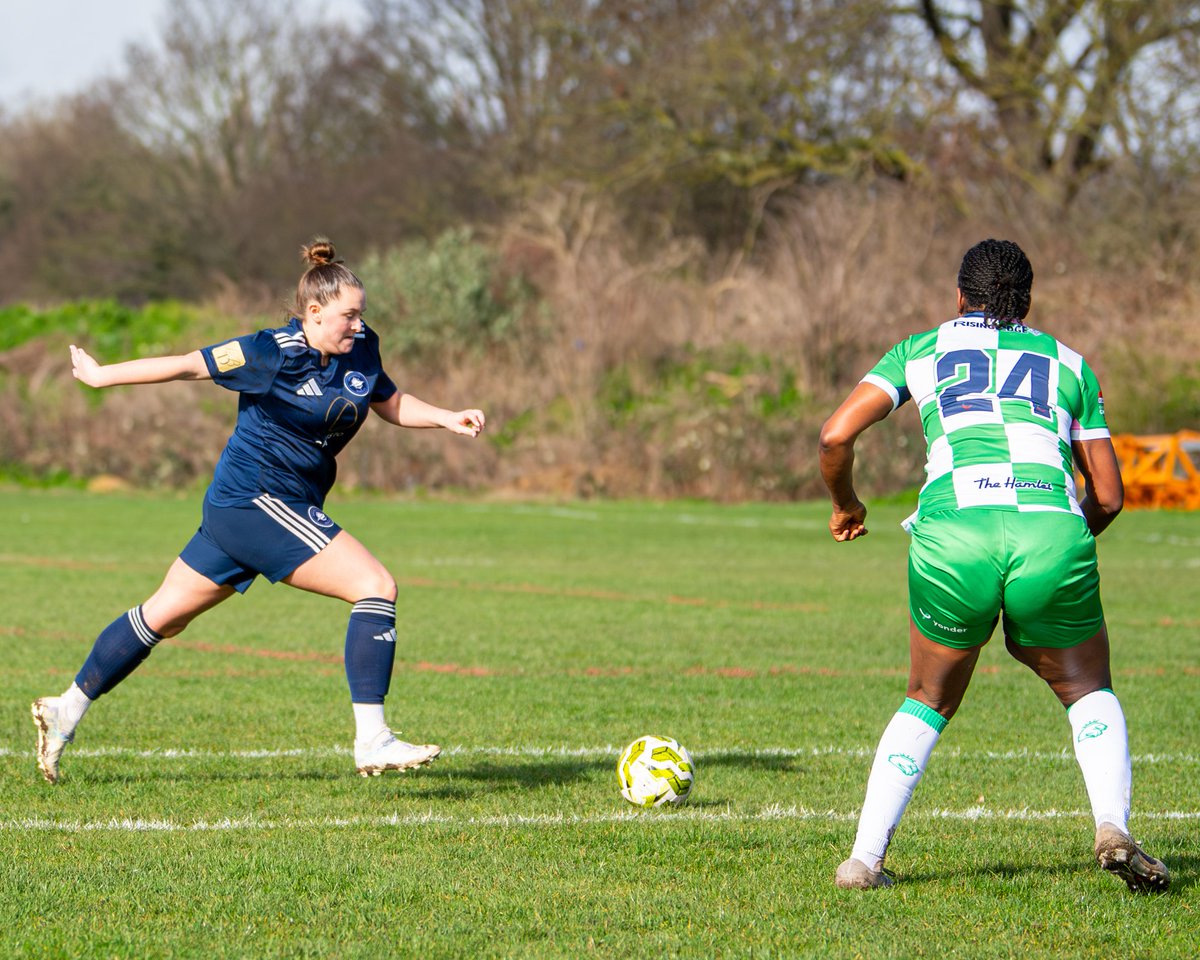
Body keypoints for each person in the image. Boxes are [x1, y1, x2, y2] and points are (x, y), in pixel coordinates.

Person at [32, 238, 486, 783]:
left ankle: (66, 707)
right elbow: (186, 365)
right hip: (258, 500)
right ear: (314, 313)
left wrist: (445, 417)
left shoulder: (362, 346)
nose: (358, 324)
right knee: (375, 585)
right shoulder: (271, 351)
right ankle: (373, 740)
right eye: (348, 315)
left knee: (163, 617)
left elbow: (386, 400)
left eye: (361, 313)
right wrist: (102, 377)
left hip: (251, 510)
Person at [818, 238, 1169, 893]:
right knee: (1086, 687)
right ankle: (1113, 828)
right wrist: (1062, 546)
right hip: (1051, 530)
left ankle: (863, 860)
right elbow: (1111, 495)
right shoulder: (1068, 362)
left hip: (954, 533)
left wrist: (847, 504)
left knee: (927, 698)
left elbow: (836, 435)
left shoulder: (920, 349)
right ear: (1028, 301)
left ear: (959, 296)